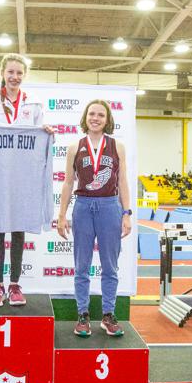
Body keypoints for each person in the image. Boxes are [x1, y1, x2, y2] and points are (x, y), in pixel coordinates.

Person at [0, 53, 53, 308]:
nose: (15, 77)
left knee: (18, 229)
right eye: (11, 72)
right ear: (3, 74)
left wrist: (46, 131)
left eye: (19, 73)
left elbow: (39, 136)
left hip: (22, 178)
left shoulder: (35, 104)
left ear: (24, 76)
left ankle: (15, 284)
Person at [56, 100, 133, 337]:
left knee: (110, 265)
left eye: (101, 115)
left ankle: (108, 314)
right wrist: (61, 215)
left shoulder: (117, 146)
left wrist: (127, 213)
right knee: (82, 266)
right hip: (83, 207)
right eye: (92, 114)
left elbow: (122, 182)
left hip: (110, 206)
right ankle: (83, 315)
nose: (96, 118)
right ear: (85, 117)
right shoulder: (74, 147)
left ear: (107, 119)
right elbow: (68, 182)